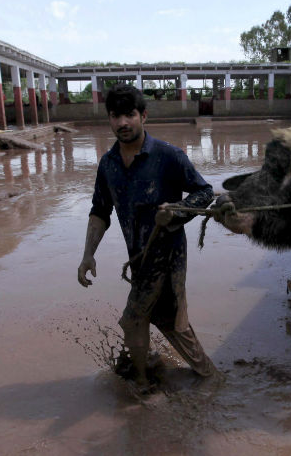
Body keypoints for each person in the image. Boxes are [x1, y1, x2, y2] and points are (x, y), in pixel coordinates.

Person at [78, 84, 219, 392]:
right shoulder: (109, 164)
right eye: (115, 116)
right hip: (140, 260)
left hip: (168, 258)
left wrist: (177, 212)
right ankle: (208, 376)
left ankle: (142, 383)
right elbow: (100, 211)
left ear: (143, 116)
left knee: (136, 319)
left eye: (129, 115)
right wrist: (88, 254)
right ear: (110, 120)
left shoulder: (169, 156)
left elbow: (205, 192)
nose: (122, 123)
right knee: (170, 322)